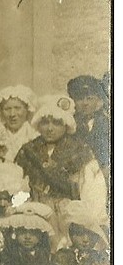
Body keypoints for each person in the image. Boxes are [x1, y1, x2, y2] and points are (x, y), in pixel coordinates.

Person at [15, 95, 107, 236]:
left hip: (69, 216)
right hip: (35, 214)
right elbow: (18, 188)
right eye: (45, 122)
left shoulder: (80, 151)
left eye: (56, 123)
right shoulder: (28, 151)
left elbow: (92, 192)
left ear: (66, 124)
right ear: (38, 124)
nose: (50, 128)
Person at [66, 74, 110, 174]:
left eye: (90, 98)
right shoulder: (68, 125)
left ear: (98, 100)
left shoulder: (106, 124)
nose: (85, 103)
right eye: (80, 98)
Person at [0, 84, 39, 163]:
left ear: (27, 109)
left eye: (17, 108)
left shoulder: (35, 135)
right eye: (7, 109)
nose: (12, 114)